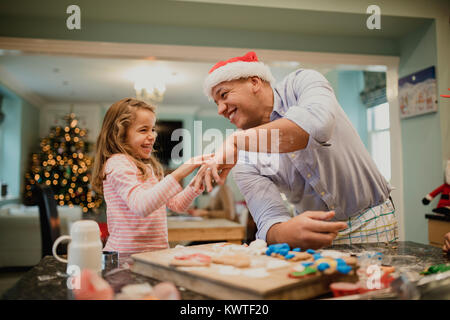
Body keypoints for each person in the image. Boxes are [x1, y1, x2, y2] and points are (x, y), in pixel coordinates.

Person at [201, 51, 398, 250]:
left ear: (254, 82)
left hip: (370, 220)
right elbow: (269, 220)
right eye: (217, 103)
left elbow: (317, 126)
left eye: (224, 95)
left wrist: (236, 141)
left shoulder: (302, 83)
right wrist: (286, 232)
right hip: (311, 237)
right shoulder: (243, 158)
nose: (220, 110)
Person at [92, 98, 209, 262]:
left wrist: (198, 180)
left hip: (155, 255)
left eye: (153, 129)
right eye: (143, 130)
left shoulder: (148, 168)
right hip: (126, 258)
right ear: (119, 134)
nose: (152, 136)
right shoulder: (117, 163)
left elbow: (177, 205)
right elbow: (141, 206)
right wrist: (181, 171)